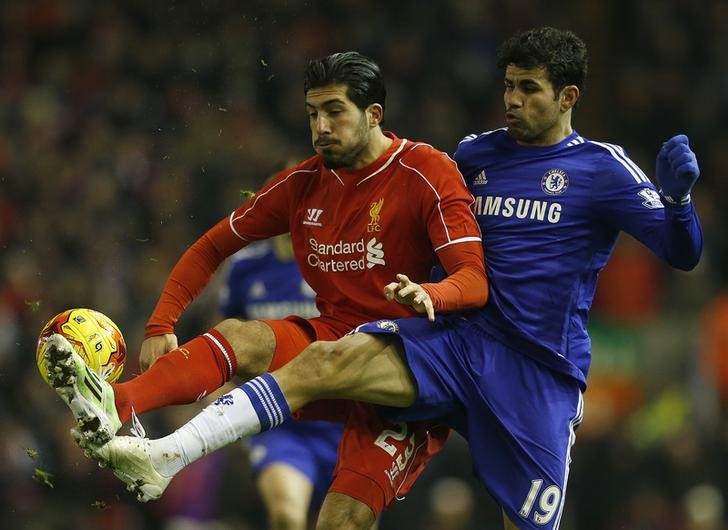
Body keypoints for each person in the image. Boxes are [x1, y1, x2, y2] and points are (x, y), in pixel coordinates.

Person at [72, 27, 703, 530]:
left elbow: (683, 254)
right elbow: (445, 253)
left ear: (568, 97)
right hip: (453, 341)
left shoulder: (602, 170)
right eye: (508, 86)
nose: (512, 101)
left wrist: (677, 206)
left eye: (529, 90)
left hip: (536, 371)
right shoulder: (475, 155)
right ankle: (162, 453)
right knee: (318, 361)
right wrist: (423, 295)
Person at [44, 51, 488, 527]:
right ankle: (120, 403)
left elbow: (474, 280)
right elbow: (211, 246)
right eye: (312, 113)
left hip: (411, 367)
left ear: (373, 114)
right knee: (243, 336)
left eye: (334, 111)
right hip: (335, 344)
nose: (320, 126)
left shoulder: (425, 170)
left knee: (339, 521)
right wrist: (160, 323)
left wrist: (431, 295)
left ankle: (163, 455)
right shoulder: (302, 184)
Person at [220, 236, 345, 530]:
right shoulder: (245, 266)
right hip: (278, 422)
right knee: (287, 517)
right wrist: (221, 383)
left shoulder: (340, 259)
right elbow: (227, 336)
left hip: (344, 420)